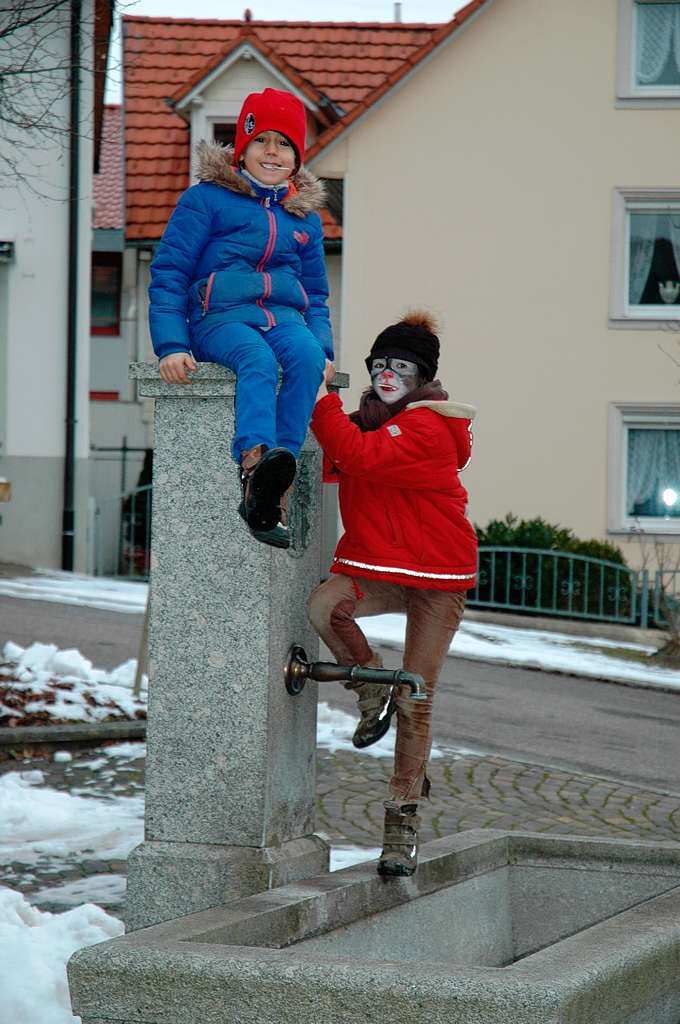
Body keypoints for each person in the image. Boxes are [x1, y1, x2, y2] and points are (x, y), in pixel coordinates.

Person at [308, 311, 477, 877]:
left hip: (438, 576)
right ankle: (367, 685)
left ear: (421, 374)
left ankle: (400, 826)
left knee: (418, 698)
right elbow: (337, 459)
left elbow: (357, 455)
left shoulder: (428, 426)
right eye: (378, 364)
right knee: (325, 608)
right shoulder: (371, 420)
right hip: (379, 565)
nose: (386, 374)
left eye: (399, 366)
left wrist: (320, 399)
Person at [148, 88, 333, 549]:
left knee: (307, 360)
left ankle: (276, 485)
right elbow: (170, 271)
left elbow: (316, 293)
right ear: (242, 148)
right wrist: (171, 345)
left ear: (296, 158)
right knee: (256, 360)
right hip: (219, 317)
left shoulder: (304, 218)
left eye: (284, 143)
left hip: (283, 317)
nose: (272, 151)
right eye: (262, 140)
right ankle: (254, 463)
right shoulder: (206, 200)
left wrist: (325, 348)